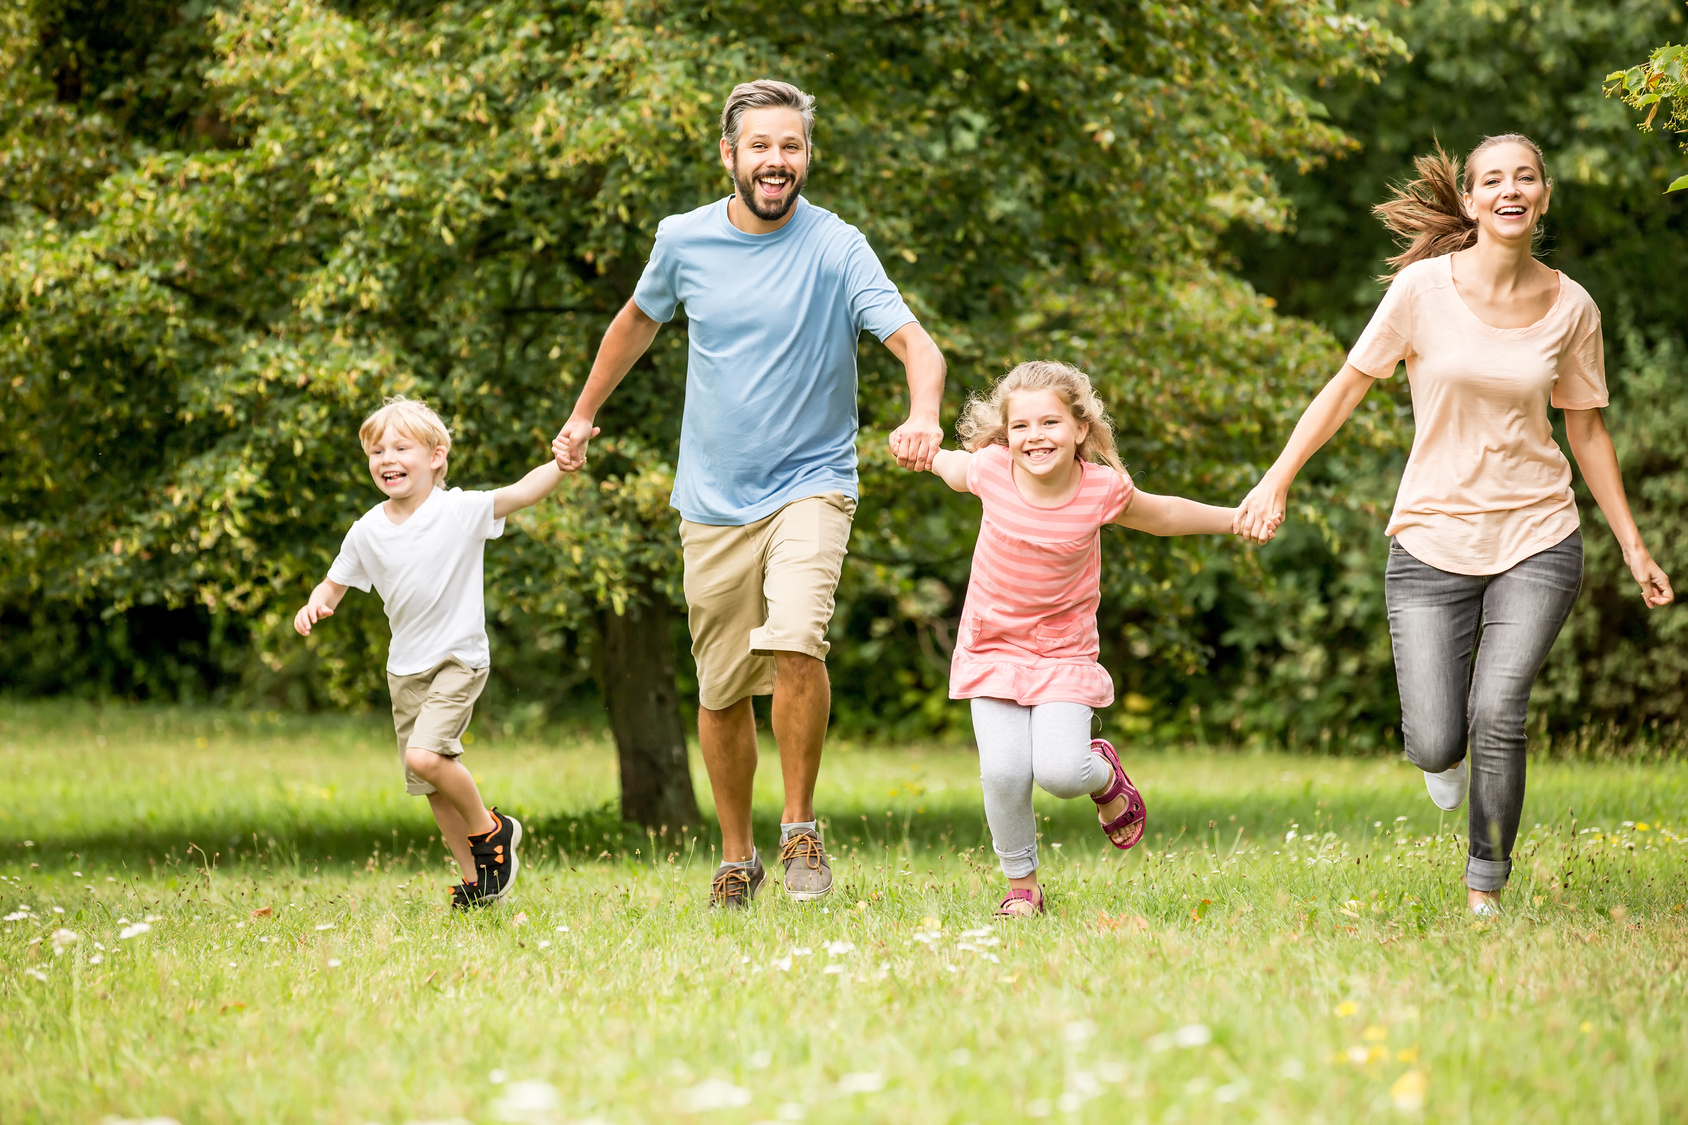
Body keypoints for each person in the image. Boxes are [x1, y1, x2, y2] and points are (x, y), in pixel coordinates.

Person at [1234, 135, 1674, 916]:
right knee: (1438, 738)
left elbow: (1589, 431)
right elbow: (1346, 387)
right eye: (1493, 180)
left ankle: (1485, 890)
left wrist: (1633, 546)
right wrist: (1278, 476)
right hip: (1431, 535)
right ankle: (1440, 761)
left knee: (1499, 711)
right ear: (1470, 202)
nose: (1511, 189)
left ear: (1543, 196)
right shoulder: (1419, 292)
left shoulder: (1573, 307)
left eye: (1526, 177)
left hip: (1539, 533)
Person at [551, 79, 947, 908]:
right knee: (722, 688)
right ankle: (737, 856)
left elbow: (917, 345)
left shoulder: (839, 247)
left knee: (798, 635)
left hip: (814, 482)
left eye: (791, 146)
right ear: (729, 155)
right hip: (712, 500)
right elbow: (635, 321)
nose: (777, 161)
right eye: (761, 146)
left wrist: (923, 415)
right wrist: (584, 414)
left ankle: (800, 828)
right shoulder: (684, 240)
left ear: (807, 157)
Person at [903, 361, 1239, 918]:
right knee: (1004, 771)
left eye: (1050, 423)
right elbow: (944, 462)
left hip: (1062, 652)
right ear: (1005, 435)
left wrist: (1234, 518)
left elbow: (1165, 515)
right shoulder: (989, 471)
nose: (1035, 437)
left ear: (1080, 429)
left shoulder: (1101, 490)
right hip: (992, 647)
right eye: (1021, 427)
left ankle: (1104, 774)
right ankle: (1022, 885)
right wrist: (917, 446)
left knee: (1061, 773)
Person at [294, 396, 566, 909]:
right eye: (377, 451)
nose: (386, 458)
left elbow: (522, 492)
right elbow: (333, 584)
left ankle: (494, 831)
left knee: (426, 755)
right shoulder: (367, 530)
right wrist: (314, 606)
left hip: (458, 659)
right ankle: (479, 882)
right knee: (429, 784)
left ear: (437, 456)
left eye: (401, 447)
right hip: (405, 670)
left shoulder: (458, 510)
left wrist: (561, 462)